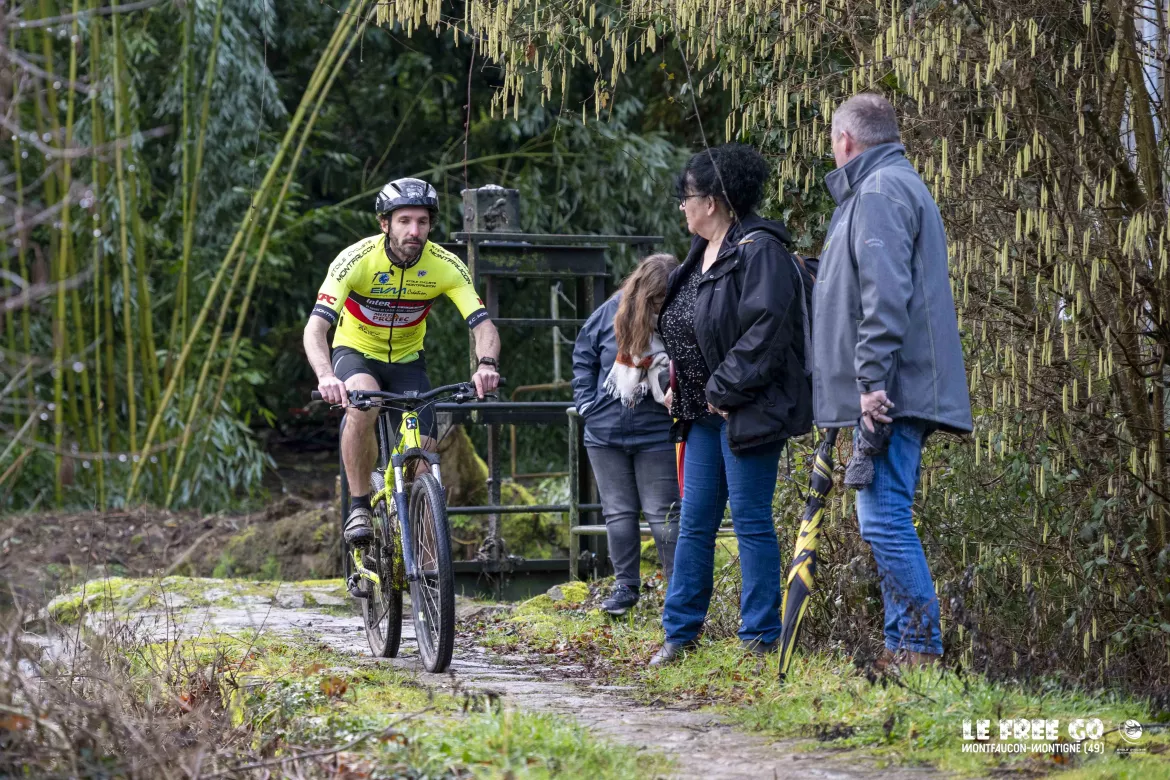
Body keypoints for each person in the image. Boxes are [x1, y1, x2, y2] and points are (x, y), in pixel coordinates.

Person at [814, 93, 972, 667]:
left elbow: (883, 299)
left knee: (883, 519)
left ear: (845, 141)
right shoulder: (892, 185)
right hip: (895, 386)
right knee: (882, 516)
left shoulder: (878, 192)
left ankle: (918, 651)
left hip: (890, 392)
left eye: (832, 142)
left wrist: (869, 384)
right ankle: (901, 646)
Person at [651, 144, 814, 665]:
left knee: (749, 520)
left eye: (687, 196)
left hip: (747, 411)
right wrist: (681, 379)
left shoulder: (760, 251)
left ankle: (759, 638)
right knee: (695, 522)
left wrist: (722, 388)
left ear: (713, 201)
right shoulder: (698, 254)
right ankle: (680, 635)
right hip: (701, 415)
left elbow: (767, 330)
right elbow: (693, 329)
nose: (682, 206)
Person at [304, 177, 501, 549]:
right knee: (365, 402)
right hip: (356, 353)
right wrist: (326, 376)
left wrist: (486, 364)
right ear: (385, 223)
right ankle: (359, 506)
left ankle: (426, 568)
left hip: (409, 362)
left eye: (422, 222)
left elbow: (483, 326)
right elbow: (316, 328)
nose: (414, 230)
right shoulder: (356, 260)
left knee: (424, 457)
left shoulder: (445, 265)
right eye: (405, 221)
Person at [572, 253, 681, 616]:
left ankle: (679, 591)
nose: (661, 306)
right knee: (618, 514)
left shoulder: (678, 314)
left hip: (656, 431)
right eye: (657, 299)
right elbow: (583, 356)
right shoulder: (609, 313)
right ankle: (625, 588)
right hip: (605, 431)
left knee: (663, 516)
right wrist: (587, 405)